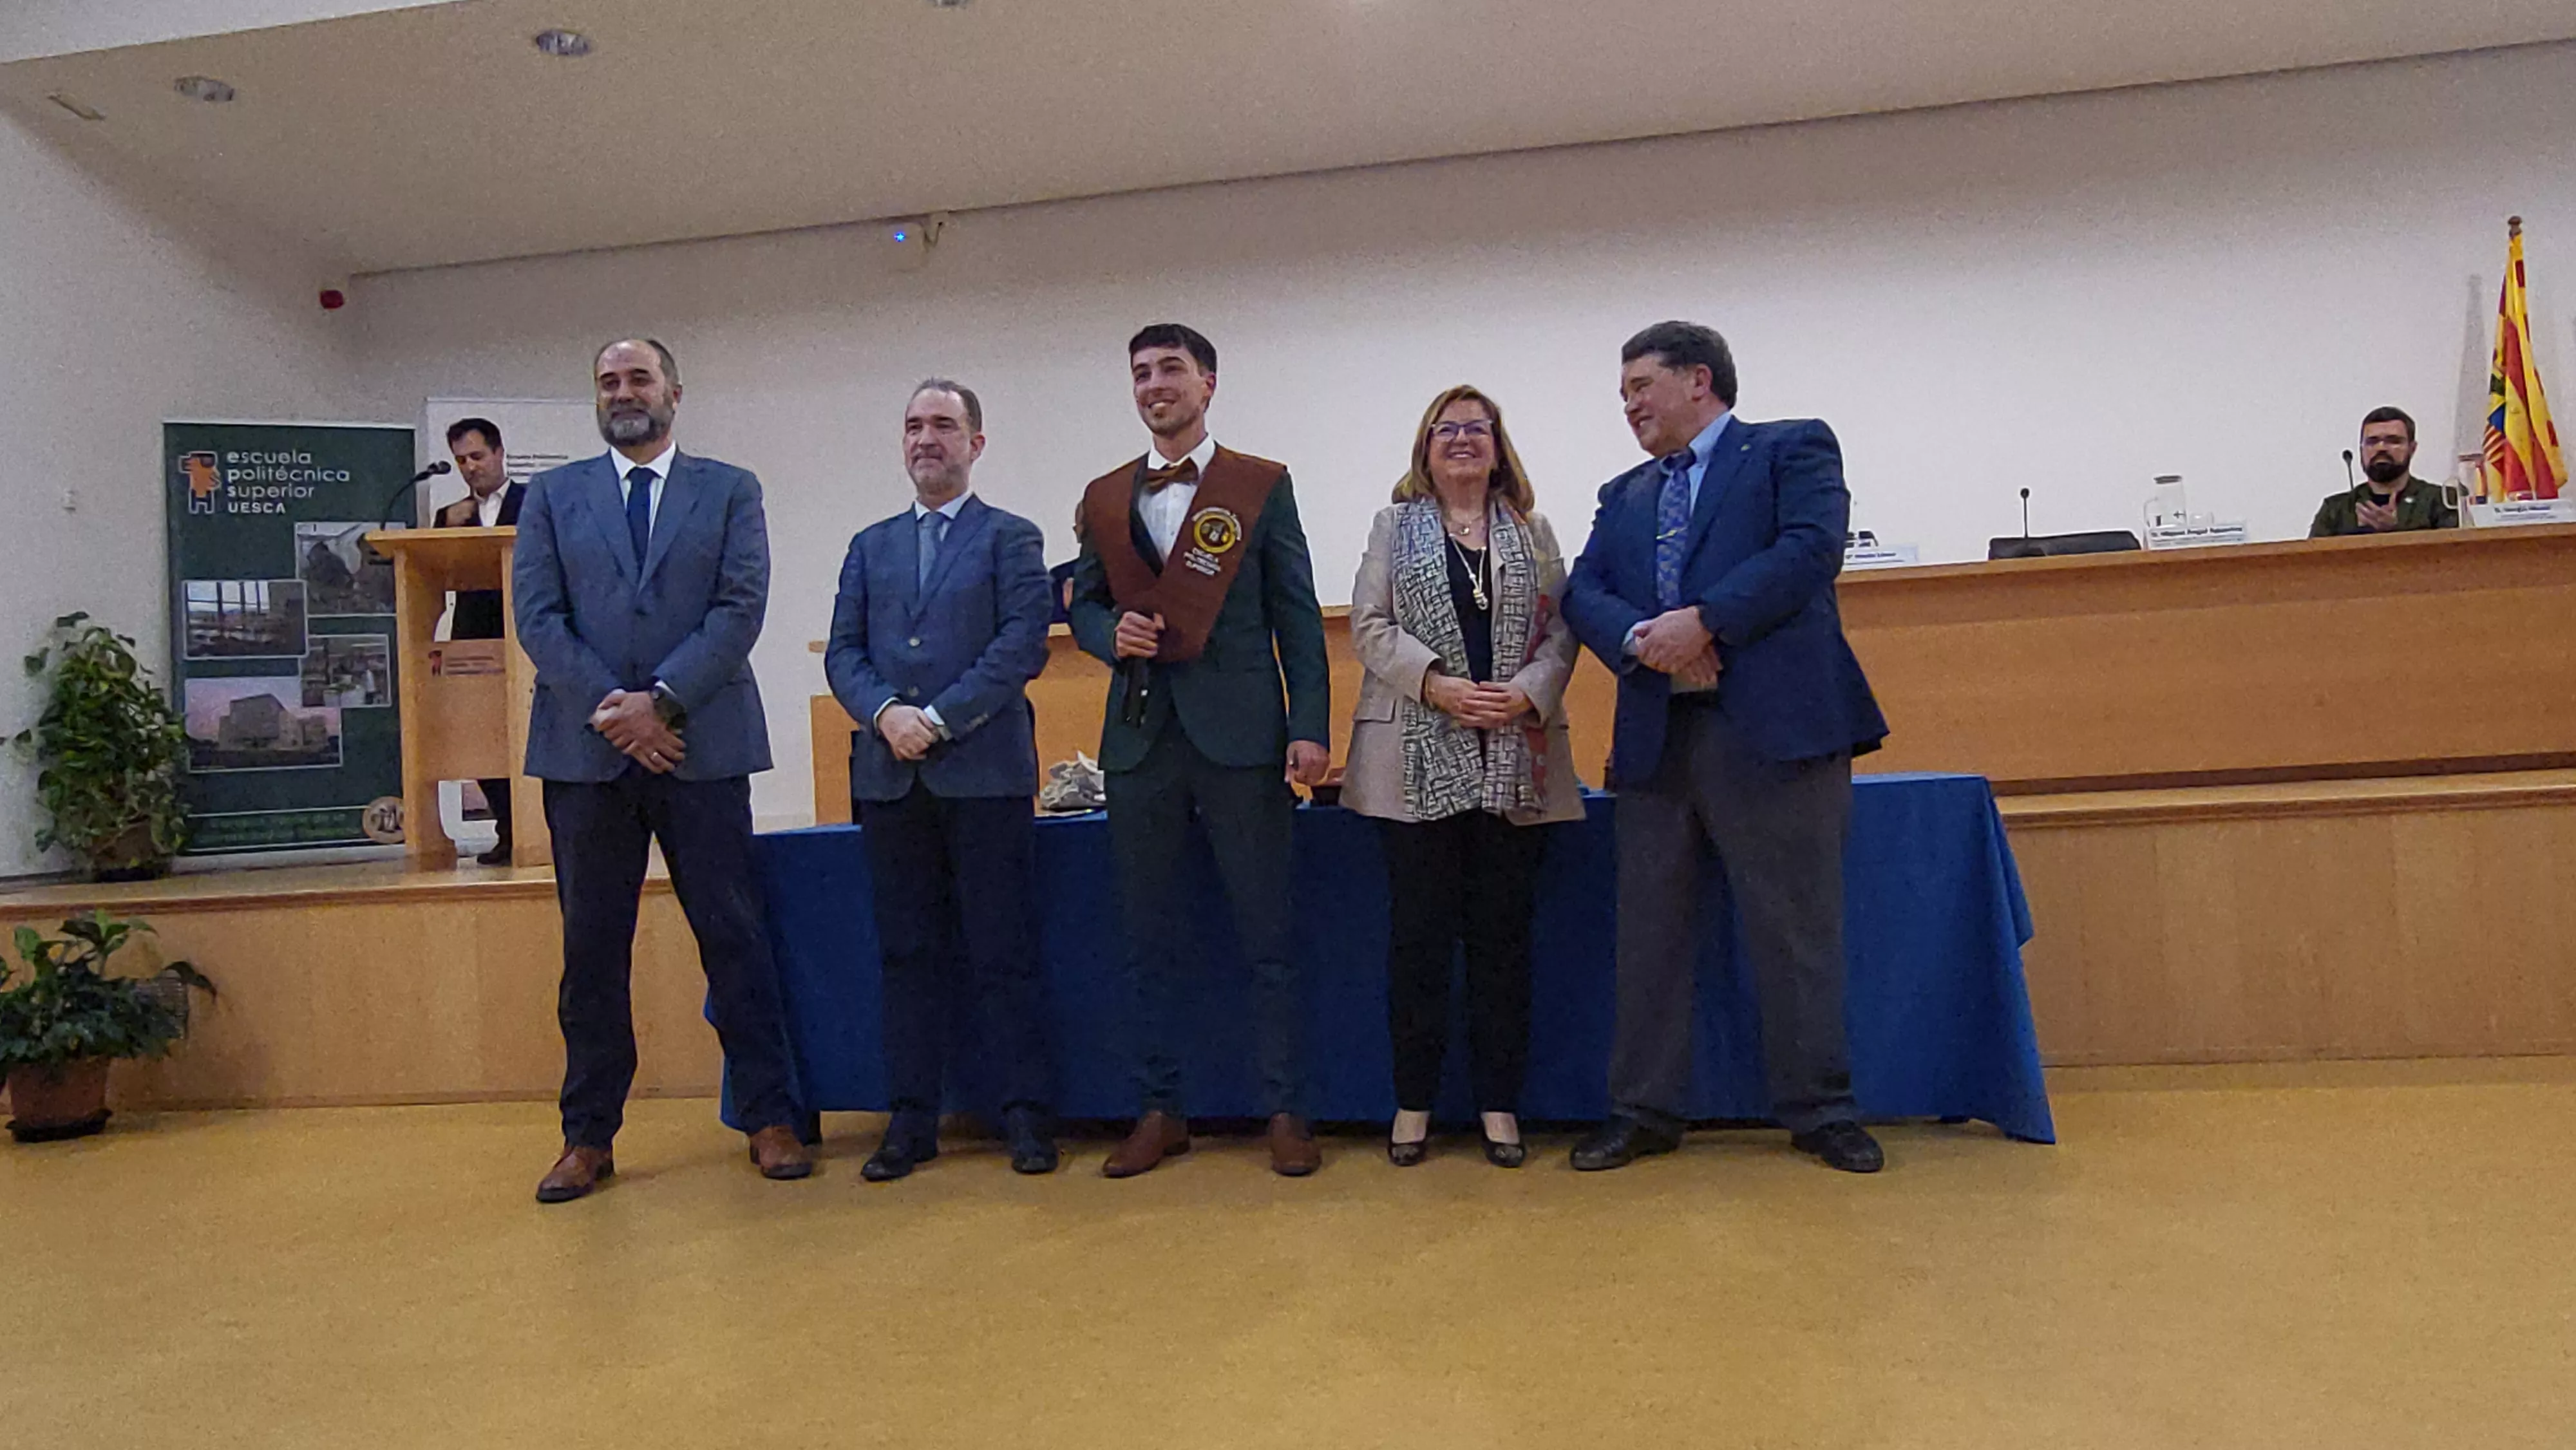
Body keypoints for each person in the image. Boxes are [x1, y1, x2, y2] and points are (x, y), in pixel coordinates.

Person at [1561, 321, 1890, 1175]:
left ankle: (1822, 1112)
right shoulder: (1622, 494)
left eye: (1641, 386)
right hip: (1659, 740)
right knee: (1651, 938)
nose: (1628, 404)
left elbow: (1811, 550)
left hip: (1775, 734)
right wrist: (1644, 637)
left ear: (1698, 379)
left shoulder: (1790, 449)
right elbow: (1583, 591)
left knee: (1796, 931)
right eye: (1623, 392)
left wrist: (1705, 621)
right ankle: (1643, 1112)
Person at [513, 337, 810, 1202]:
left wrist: (663, 704)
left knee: (735, 937)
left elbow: (740, 605)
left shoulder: (729, 488)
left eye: (638, 378)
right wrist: (618, 709)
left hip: (701, 746)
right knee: (591, 952)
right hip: (585, 753)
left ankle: (769, 1116)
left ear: (675, 392)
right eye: (607, 382)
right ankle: (587, 1137)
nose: (622, 392)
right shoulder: (553, 497)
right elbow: (538, 615)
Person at [1068, 323, 1332, 1178]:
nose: (1155, 385)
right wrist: (1114, 635)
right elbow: (1084, 608)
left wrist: (1309, 724)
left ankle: (1287, 1108)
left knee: (1268, 933)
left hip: (1243, 737)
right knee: (1147, 939)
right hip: (1141, 740)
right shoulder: (1105, 497)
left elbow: (1296, 611)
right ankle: (1160, 1108)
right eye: (1140, 372)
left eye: (1171, 369)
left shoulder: (1260, 486)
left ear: (1208, 383)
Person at [1341, 385, 1583, 1169]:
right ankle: (1412, 1104)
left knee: (1501, 945)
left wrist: (1529, 691)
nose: (1461, 441)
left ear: (1497, 443)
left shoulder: (1533, 530)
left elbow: (1561, 630)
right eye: (1447, 430)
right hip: (1410, 761)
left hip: (1514, 758)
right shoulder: (1394, 525)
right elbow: (1369, 625)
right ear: (1425, 445)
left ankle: (1498, 1107)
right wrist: (1436, 682)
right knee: (1417, 944)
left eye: (1476, 429)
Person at [824, 379, 1059, 1180]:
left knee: (1004, 950)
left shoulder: (1011, 538)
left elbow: (1022, 644)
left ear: (976, 443)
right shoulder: (869, 545)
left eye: (944, 426)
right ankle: (911, 1116)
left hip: (985, 776)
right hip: (891, 779)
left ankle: (1024, 1113)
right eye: (914, 426)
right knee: (907, 954)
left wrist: (941, 718)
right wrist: (888, 712)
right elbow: (842, 652)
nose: (927, 438)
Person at [436, 417, 526, 865]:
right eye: (460, 460)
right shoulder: (450, 516)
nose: (470, 467)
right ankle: (507, 832)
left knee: (528, 739)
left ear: (499, 453)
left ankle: (540, 833)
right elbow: (432, 573)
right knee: (479, 738)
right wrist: (444, 533)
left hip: (526, 637)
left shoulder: (536, 504)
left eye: (477, 456)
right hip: (473, 639)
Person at [2310, 406, 2459, 536]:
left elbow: (2458, 556)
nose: (2381, 448)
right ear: (2362, 450)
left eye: (2393, 441)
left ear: (2412, 449)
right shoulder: (2336, 509)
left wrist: (2396, 532)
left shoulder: (2443, 500)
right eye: (2372, 442)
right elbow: (2311, 562)